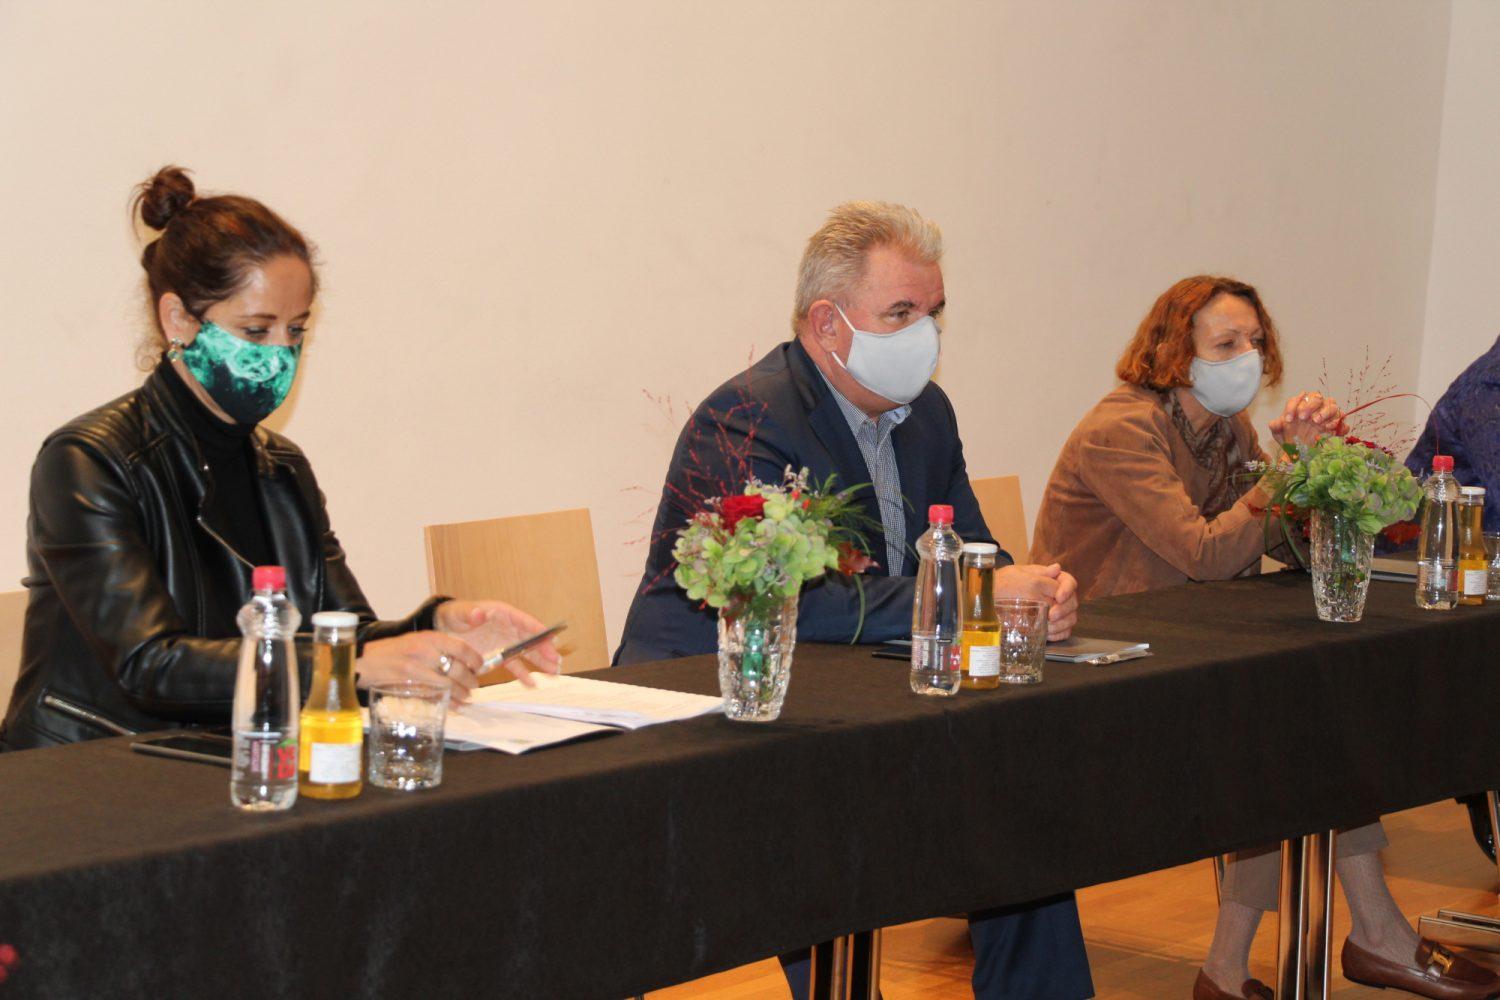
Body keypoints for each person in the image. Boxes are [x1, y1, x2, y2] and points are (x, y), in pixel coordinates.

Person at [618, 201, 1093, 1000]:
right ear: (826, 324)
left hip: (863, 692)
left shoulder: (928, 414)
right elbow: (800, 599)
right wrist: (974, 590)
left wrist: (1028, 593)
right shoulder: (747, 418)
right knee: (818, 812)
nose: (924, 334)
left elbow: (974, 550)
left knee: (1016, 791)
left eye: (933, 312)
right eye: (900, 313)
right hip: (713, 697)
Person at [1032, 276, 1500, 1000]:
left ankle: (1247, 965)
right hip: (1101, 664)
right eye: (1226, 344)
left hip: (1185, 645)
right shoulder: (1120, 430)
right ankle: (1371, 937)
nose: (1247, 357)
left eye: (1254, 341)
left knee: (1297, 719)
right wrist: (1284, 475)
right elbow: (1206, 554)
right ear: (1174, 352)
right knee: (1293, 728)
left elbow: (1274, 548)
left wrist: (1320, 476)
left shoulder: (1228, 431)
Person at [0, 166, 559, 751]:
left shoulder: (282, 466)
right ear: (179, 320)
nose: (280, 356)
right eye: (255, 330)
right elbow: (150, 666)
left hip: (234, 756)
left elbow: (343, 631)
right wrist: (354, 665)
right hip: (98, 767)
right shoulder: (88, 461)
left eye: (295, 332)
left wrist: (436, 626)